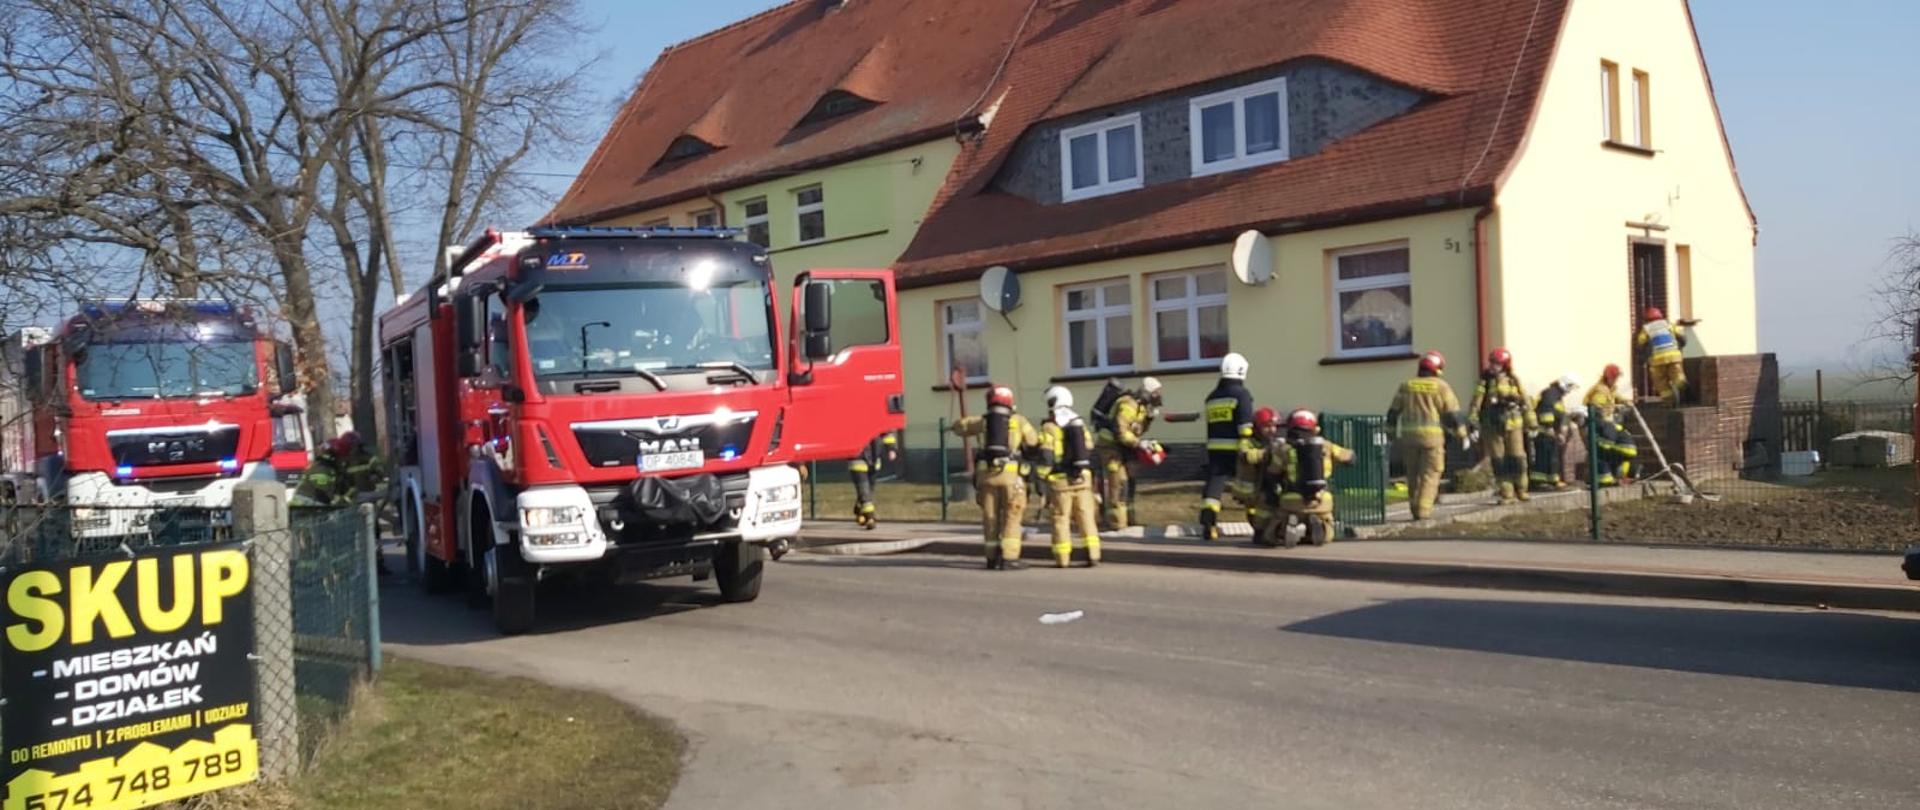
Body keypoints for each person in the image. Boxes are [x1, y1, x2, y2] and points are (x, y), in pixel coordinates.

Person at [950, 385, 1042, 570]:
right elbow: (1034, 443)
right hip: (1011, 477)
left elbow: (959, 427)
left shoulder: (982, 422)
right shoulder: (1019, 421)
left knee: (990, 517)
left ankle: (991, 558)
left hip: (986, 478)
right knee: (1012, 517)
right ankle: (1009, 558)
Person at [1386, 350, 1468, 521]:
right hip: (1432, 440)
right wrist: (1462, 434)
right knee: (1430, 474)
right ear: (1438, 369)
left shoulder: (1406, 386)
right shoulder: (1441, 387)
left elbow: (1393, 412)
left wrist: (1391, 435)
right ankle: (1423, 511)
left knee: (1413, 474)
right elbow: (1452, 414)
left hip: (1408, 439)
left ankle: (1414, 509)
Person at [1272, 409, 1355, 544]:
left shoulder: (1284, 449)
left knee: (1271, 533)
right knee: (1328, 534)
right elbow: (1350, 458)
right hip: (1321, 498)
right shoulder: (1326, 446)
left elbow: (1273, 472)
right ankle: (1319, 526)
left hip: (1292, 499)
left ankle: (1289, 525)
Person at [1093, 377, 1164, 530]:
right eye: (1156, 393)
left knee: (1129, 482)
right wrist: (1139, 443)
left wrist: (1149, 419)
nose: (1158, 396)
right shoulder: (1128, 405)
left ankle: (1128, 520)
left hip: (1124, 447)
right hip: (1110, 447)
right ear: (1147, 392)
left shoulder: (1141, 407)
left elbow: (1137, 430)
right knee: (1118, 482)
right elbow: (1121, 432)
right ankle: (1115, 523)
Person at [1040, 386, 1100, 568]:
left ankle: (1063, 559)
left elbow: (1046, 455)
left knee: (1061, 519)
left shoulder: (1049, 427)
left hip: (1060, 482)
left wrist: (1040, 478)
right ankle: (1093, 554)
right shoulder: (1078, 423)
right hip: (1082, 479)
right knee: (1086, 517)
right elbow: (1088, 447)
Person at [1469, 348, 1537, 504]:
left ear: (1505, 365)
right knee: (1499, 460)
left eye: (1497, 363)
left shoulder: (1513, 380)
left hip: (1514, 425)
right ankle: (1507, 494)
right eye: (1491, 362)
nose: (1493, 366)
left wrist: (1532, 423)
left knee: (1518, 458)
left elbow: (1526, 401)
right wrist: (1473, 422)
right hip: (1492, 426)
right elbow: (1476, 401)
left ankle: (1521, 490)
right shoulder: (1485, 380)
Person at [1199, 352, 1254, 541]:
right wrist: (1247, 445)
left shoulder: (1211, 397)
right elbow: (1246, 426)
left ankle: (1209, 521)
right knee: (1248, 485)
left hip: (1215, 449)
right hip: (1237, 448)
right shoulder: (1241, 394)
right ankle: (1257, 521)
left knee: (1214, 487)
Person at [1584, 364, 1639, 486]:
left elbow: (1615, 396)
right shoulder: (1600, 391)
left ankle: (1617, 473)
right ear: (1608, 377)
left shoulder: (1610, 388)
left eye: (1617, 377)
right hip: (1601, 427)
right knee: (1605, 449)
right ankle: (1605, 476)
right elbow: (1596, 409)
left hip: (1610, 426)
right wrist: (1604, 426)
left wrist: (1626, 401)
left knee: (1628, 449)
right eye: (1614, 377)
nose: (1616, 379)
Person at [1530, 374, 1581, 491]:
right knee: (1543, 457)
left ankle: (1552, 480)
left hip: (1552, 432)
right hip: (1544, 432)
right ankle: (1539, 482)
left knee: (1552, 456)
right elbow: (1546, 411)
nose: (1570, 391)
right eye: (1570, 387)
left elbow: (1561, 414)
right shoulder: (1550, 394)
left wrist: (1563, 429)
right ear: (1565, 384)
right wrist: (1549, 428)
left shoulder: (1557, 396)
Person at [1239, 406, 1282, 537]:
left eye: (1274, 426)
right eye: (1267, 426)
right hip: (1252, 484)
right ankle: (1260, 531)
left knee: (1271, 505)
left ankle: (1272, 530)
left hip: (1268, 480)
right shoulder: (1247, 441)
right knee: (1258, 510)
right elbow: (1246, 456)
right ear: (1257, 427)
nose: (1271, 430)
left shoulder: (1273, 441)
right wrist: (1266, 453)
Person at [1637, 306, 1689, 406]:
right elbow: (1682, 336)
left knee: (1661, 382)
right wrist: (1680, 347)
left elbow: (1641, 342)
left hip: (1657, 360)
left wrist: (1644, 354)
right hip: (1674, 357)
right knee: (1678, 378)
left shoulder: (1647, 328)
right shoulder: (1669, 324)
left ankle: (1670, 403)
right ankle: (1685, 396)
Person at [849, 431, 899, 530]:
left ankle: (859, 509)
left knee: (869, 490)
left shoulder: (874, 418)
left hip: (874, 460)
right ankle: (870, 517)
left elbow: (886, 431)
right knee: (864, 490)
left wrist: (891, 448)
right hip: (857, 459)